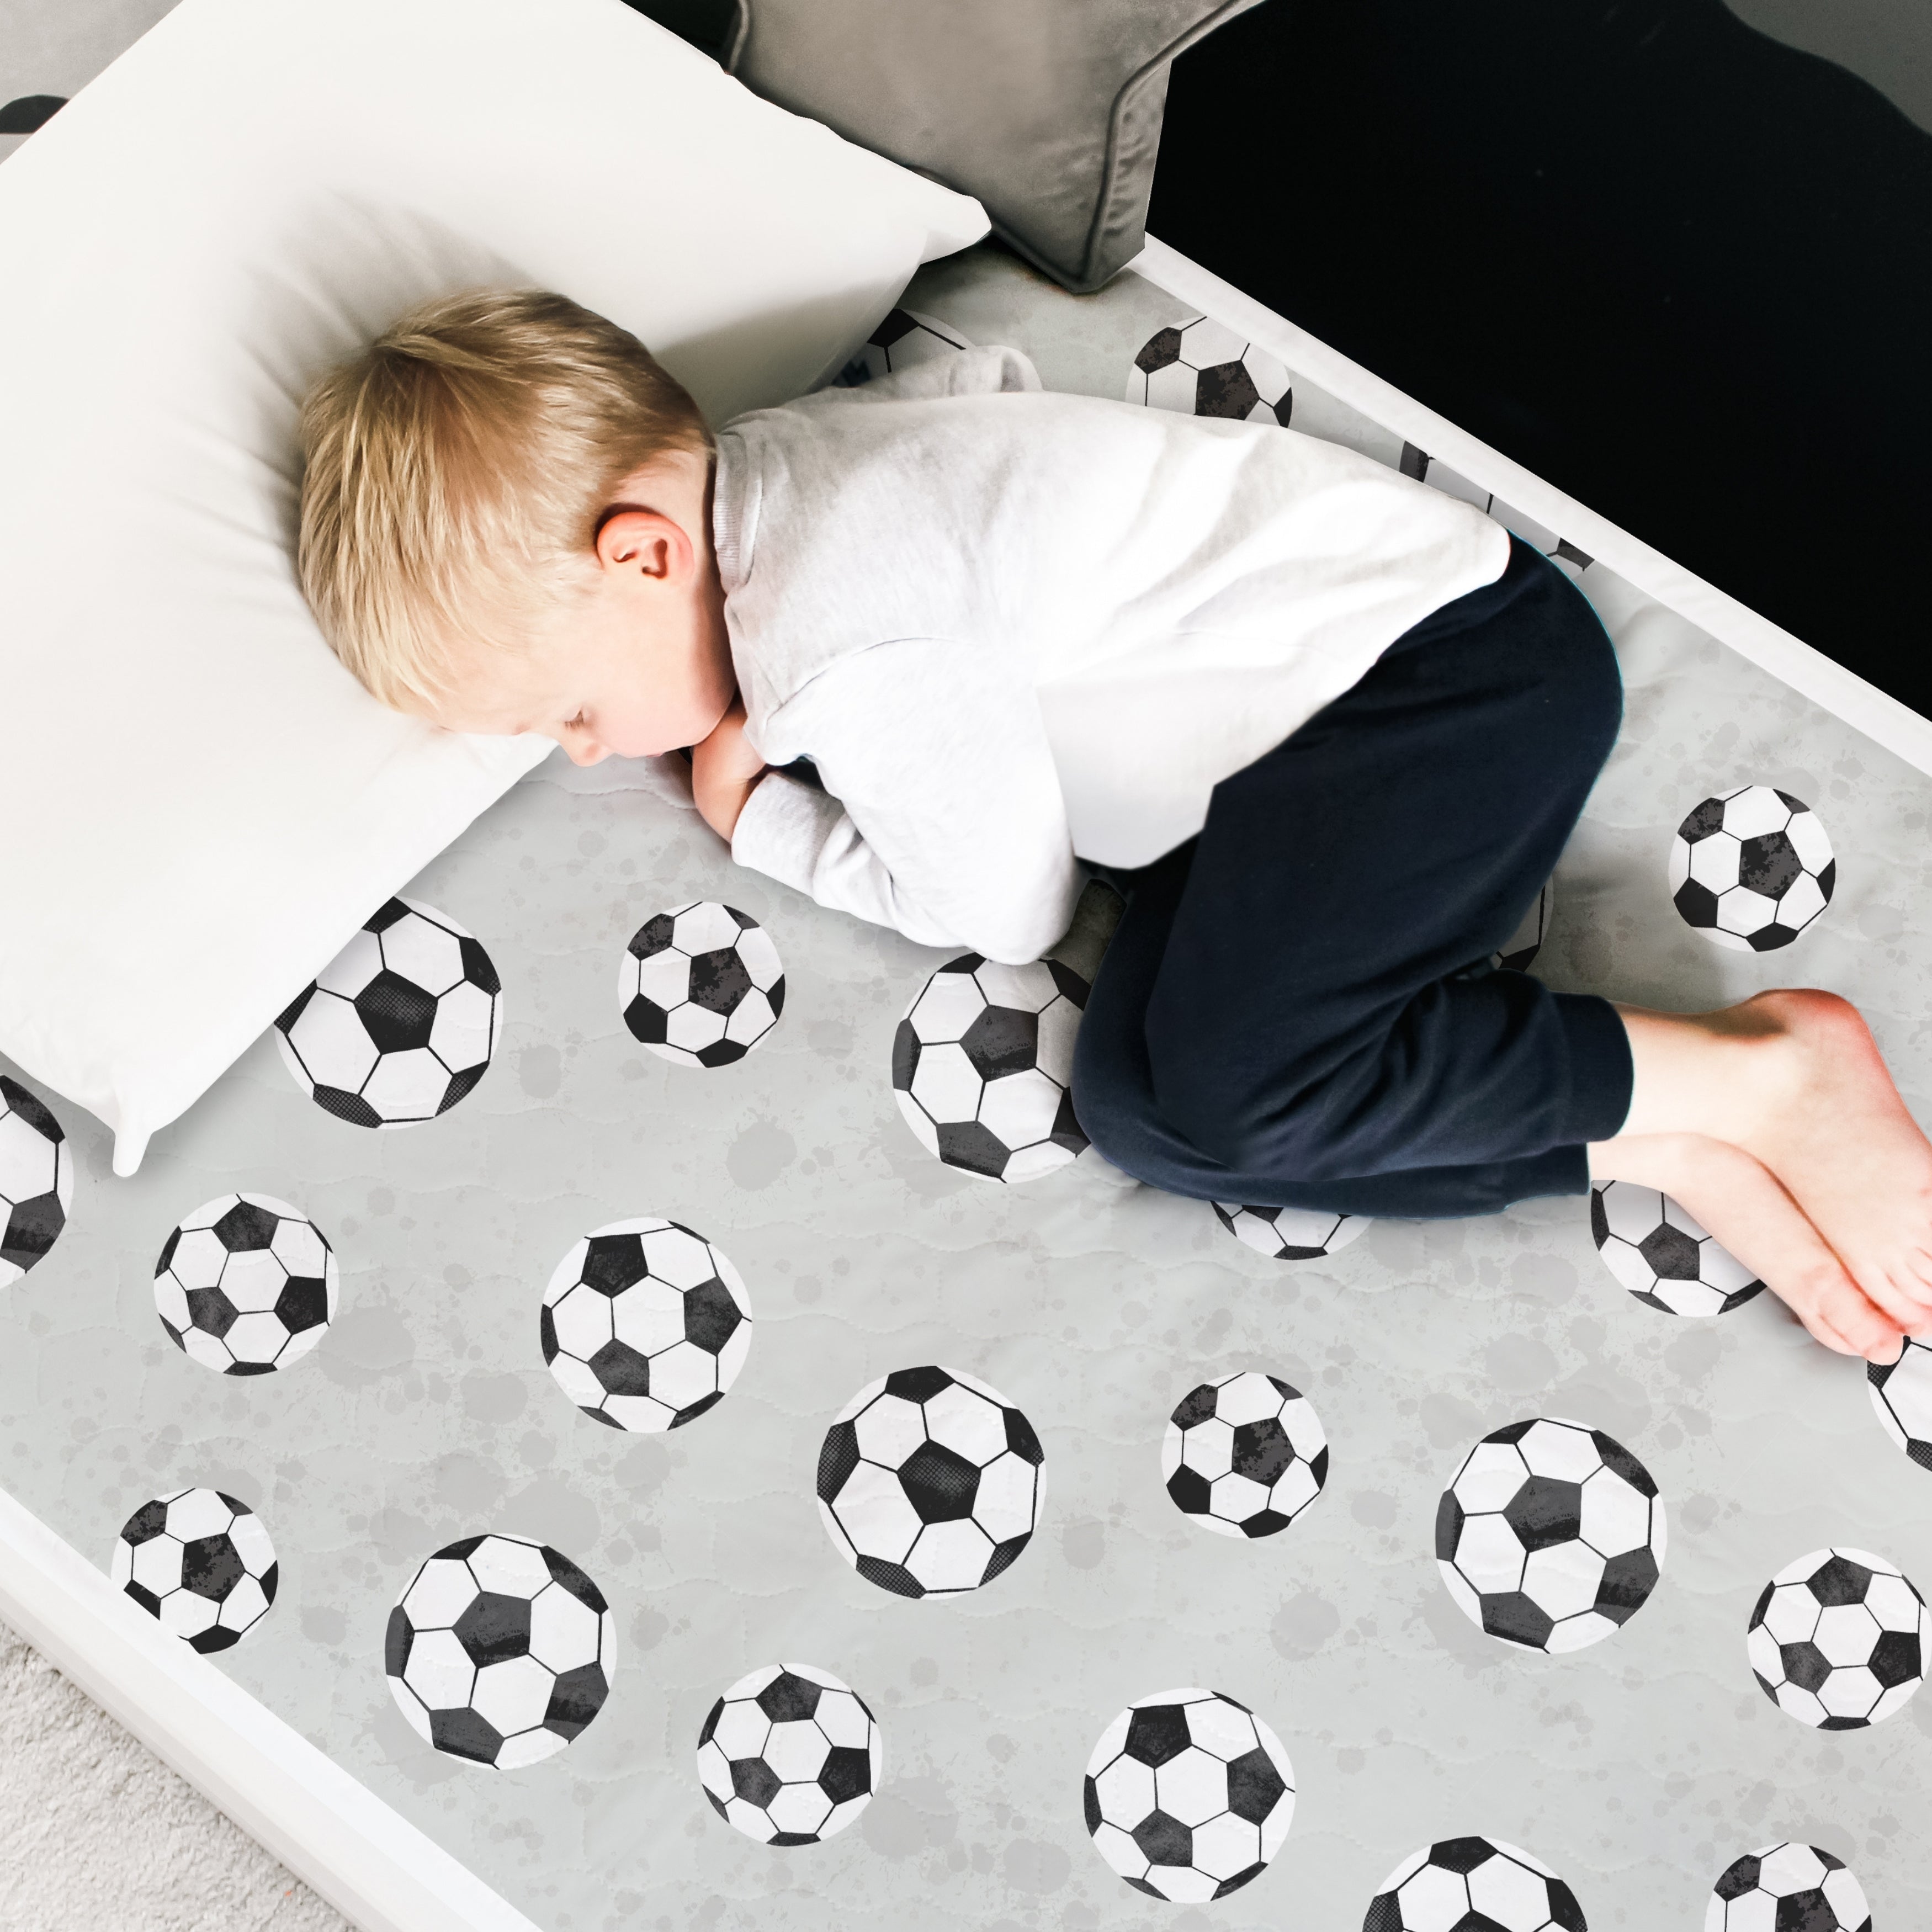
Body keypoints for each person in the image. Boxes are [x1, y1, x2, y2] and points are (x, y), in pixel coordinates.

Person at [297, 287, 1932, 1365]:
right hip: (1276, 773)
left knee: (1230, 1085)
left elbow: (1007, 903)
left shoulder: (844, 638)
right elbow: (982, 397)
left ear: (644, 557)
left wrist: (768, 831)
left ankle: (1766, 1072)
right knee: (1155, 1113)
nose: (588, 757)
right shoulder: (777, 469)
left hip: (1433, 690)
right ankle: (1652, 1134)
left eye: (564, 708)